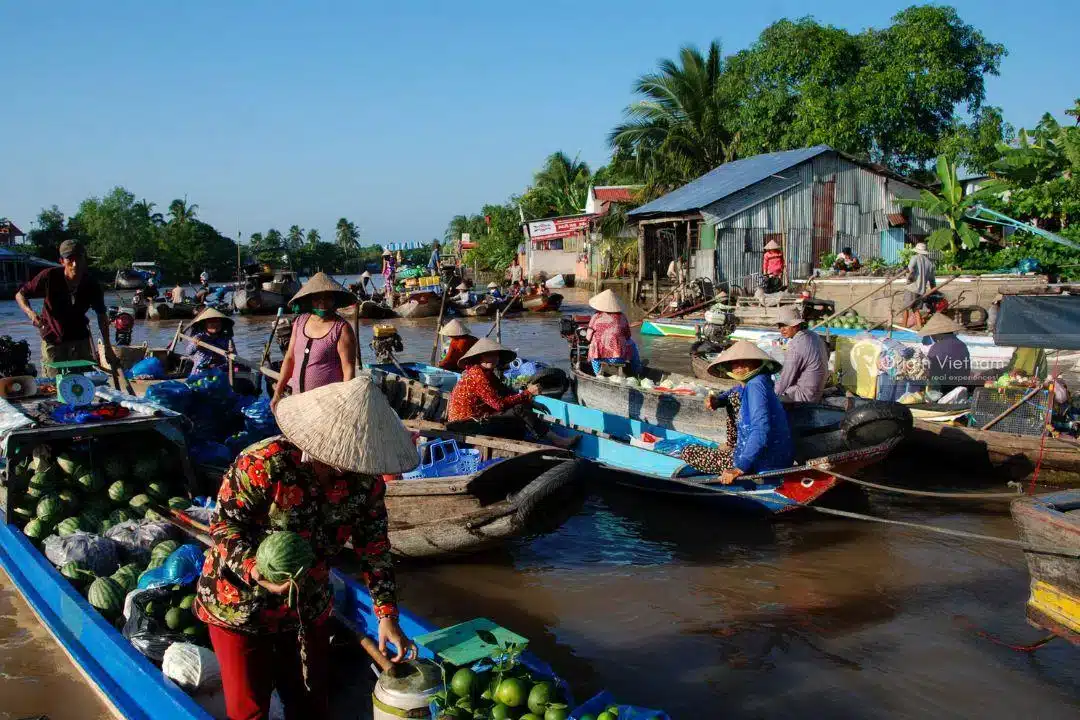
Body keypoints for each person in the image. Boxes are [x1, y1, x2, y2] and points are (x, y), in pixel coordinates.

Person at [196, 377, 418, 719]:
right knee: (250, 709)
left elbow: (374, 548)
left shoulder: (365, 482)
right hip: (239, 604)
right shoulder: (265, 463)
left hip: (308, 605)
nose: (347, 464)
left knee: (311, 704)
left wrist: (387, 616)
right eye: (339, 454)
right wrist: (256, 570)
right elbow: (225, 526)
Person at [681, 341, 794, 484]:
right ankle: (733, 445)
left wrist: (740, 467)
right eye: (735, 362)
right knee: (732, 397)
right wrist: (717, 400)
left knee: (688, 451)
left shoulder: (755, 386)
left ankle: (739, 458)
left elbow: (760, 429)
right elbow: (733, 392)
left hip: (762, 461)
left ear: (756, 363)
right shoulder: (756, 381)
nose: (739, 366)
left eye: (745, 362)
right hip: (774, 456)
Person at [15, 239, 117, 376]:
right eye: (70, 259)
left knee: (83, 384)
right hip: (53, 338)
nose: (75, 264)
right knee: (53, 384)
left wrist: (108, 347)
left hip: (80, 339)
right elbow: (20, 295)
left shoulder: (91, 284)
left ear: (84, 260)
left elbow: (101, 315)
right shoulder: (49, 276)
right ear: (62, 261)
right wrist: (31, 314)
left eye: (79, 259)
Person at [447, 338, 575, 447]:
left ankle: (540, 434)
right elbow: (499, 405)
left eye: (495, 355)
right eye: (488, 355)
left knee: (521, 406)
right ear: (479, 358)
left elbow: (505, 392)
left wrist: (528, 400)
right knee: (519, 409)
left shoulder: (488, 374)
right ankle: (558, 440)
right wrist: (527, 394)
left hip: (476, 419)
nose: (493, 359)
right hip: (467, 424)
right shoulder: (478, 375)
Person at [271, 273, 358, 411]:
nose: (322, 302)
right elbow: (290, 358)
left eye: (328, 297)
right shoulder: (299, 322)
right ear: (310, 300)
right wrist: (278, 392)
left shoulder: (341, 328)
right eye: (318, 298)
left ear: (334, 300)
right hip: (298, 400)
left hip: (328, 405)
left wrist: (345, 404)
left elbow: (348, 370)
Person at [773, 306, 828, 403]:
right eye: (780, 326)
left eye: (785, 325)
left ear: (796, 325)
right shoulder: (813, 335)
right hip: (816, 392)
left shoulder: (797, 344)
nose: (782, 329)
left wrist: (770, 397)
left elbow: (785, 379)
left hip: (804, 396)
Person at [585, 289, 641, 375]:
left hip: (599, 356)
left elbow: (588, 337)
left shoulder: (596, 316)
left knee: (593, 345)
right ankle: (636, 372)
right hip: (618, 355)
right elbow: (628, 335)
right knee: (633, 345)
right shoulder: (622, 316)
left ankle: (597, 374)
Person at [919, 314, 971, 394]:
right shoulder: (962, 345)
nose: (931, 336)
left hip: (944, 389)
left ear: (937, 334)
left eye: (932, 334)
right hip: (961, 386)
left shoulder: (937, 347)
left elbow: (930, 370)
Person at [185, 307, 235, 375]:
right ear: (204, 324)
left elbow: (234, 356)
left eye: (217, 321)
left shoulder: (226, 338)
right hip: (200, 371)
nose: (215, 324)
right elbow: (188, 351)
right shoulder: (198, 337)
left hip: (220, 371)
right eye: (211, 322)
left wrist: (231, 353)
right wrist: (195, 345)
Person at [903, 242, 936, 329]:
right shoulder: (930, 263)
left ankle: (903, 327)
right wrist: (934, 290)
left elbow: (910, 269)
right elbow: (932, 280)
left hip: (912, 288)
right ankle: (919, 327)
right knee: (916, 309)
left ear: (917, 251)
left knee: (905, 308)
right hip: (921, 290)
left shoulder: (915, 258)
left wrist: (908, 277)